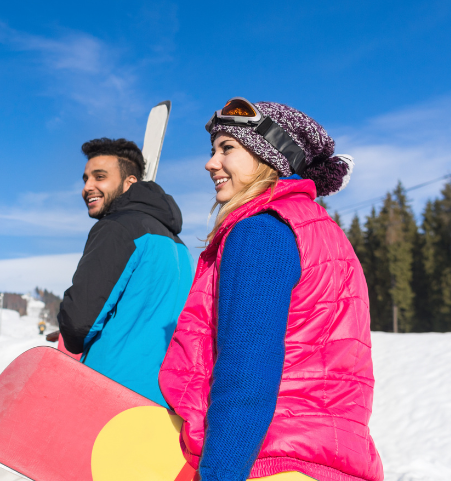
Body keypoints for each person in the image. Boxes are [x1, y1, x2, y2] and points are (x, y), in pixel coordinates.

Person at [159, 98, 381, 481]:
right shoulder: (324, 235)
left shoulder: (261, 231)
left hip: (270, 460)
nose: (211, 163)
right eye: (213, 150)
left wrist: (219, 474)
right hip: (330, 462)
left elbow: (247, 372)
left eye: (227, 148)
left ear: (271, 157)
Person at [54, 138, 192, 406]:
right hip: (163, 398)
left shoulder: (117, 228)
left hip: (109, 393)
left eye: (100, 177)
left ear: (130, 183)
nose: (87, 187)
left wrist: (68, 325)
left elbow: (78, 323)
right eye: (85, 179)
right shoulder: (178, 246)